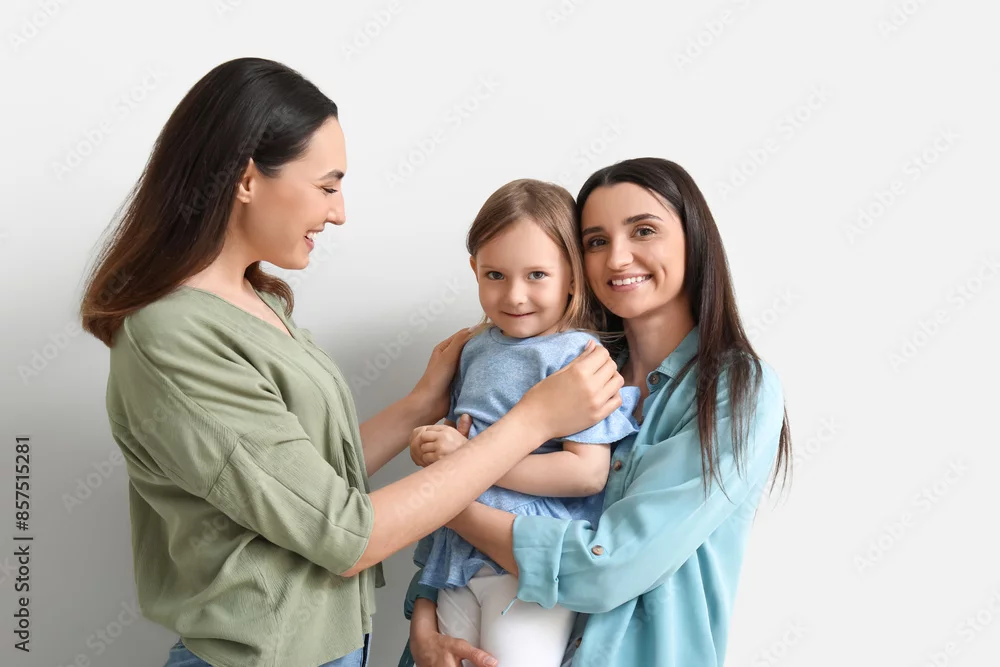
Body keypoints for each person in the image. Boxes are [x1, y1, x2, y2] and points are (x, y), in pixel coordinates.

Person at [77, 57, 626, 667]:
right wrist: (533, 422)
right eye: (327, 186)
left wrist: (420, 404)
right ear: (247, 179)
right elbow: (346, 535)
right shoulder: (173, 336)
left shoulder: (258, 302)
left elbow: (308, 481)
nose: (339, 211)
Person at [401, 157, 794, 667]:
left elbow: (607, 568)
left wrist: (447, 494)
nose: (618, 258)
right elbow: (470, 504)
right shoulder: (549, 363)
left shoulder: (734, 389)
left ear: (694, 240)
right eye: (596, 241)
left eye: (644, 230)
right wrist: (424, 627)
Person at [407, 178, 642, 667]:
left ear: (573, 277)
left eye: (537, 275)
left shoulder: (579, 357)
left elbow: (586, 473)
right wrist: (432, 446)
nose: (515, 296)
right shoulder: (473, 349)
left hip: (525, 564)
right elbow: (452, 451)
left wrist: (469, 460)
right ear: (474, 269)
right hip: (458, 557)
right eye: (495, 275)